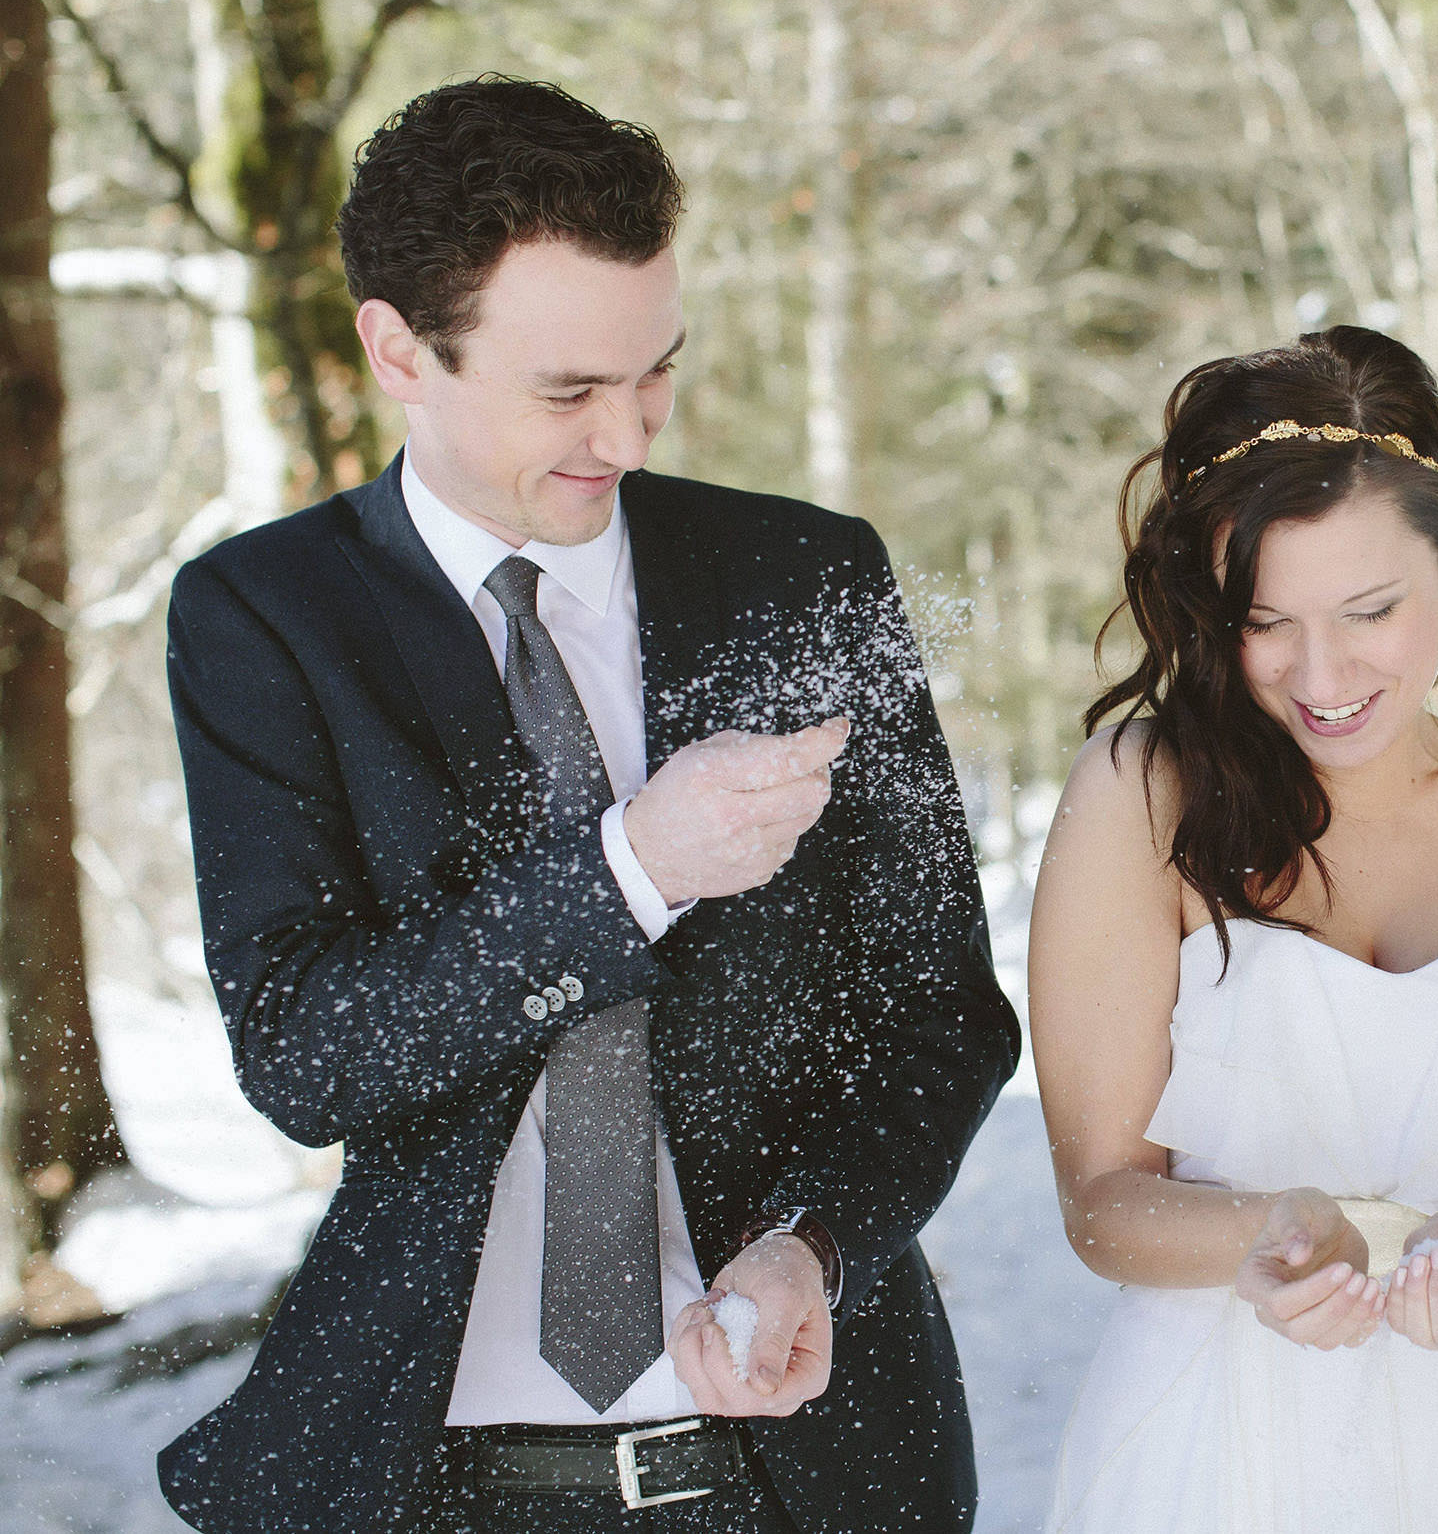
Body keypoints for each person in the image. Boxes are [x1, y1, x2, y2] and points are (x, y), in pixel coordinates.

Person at [157, 75, 1020, 1534]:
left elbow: (942, 1012)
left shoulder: (804, 576)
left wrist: (815, 1242)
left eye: (655, 372)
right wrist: (633, 865)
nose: (624, 435)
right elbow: (307, 1048)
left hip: (802, 1474)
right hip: (437, 1481)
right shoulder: (266, 614)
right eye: (567, 390)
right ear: (397, 350)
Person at [1028, 326, 1438, 1531]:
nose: (1322, 673)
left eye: (1370, 610)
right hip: (1202, 1444)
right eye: (1267, 621)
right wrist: (1271, 1233)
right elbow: (1102, 1198)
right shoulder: (1139, 791)